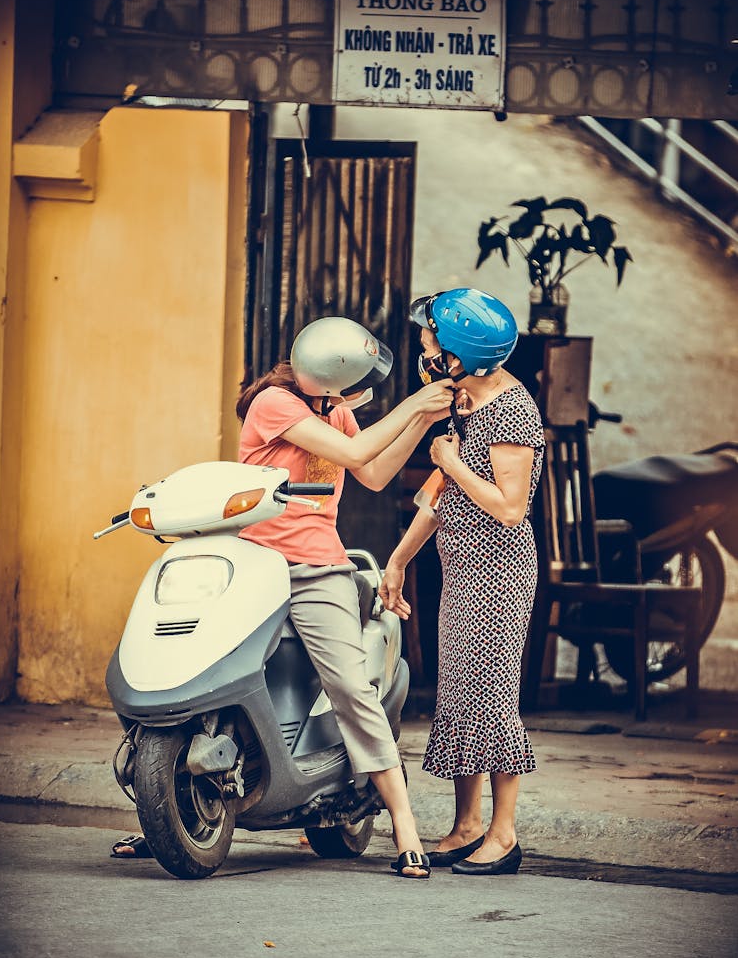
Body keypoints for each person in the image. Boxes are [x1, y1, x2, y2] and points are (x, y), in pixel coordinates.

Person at [112, 318, 453, 874]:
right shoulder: (273, 403)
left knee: (348, 683)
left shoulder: (334, 411)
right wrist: (416, 403)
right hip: (254, 564)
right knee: (188, 664)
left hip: (319, 570)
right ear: (335, 371)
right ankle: (163, 810)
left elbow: (371, 471)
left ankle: (404, 825)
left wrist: (424, 420)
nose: (352, 392)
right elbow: (358, 448)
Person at [379, 288, 545, 876]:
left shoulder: (510, 410)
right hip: (461, 573)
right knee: (461, 695)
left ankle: (503, 835)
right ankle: (467, 825)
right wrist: (398, 560)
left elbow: (509, 507)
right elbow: (436, 499)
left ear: (460, 352)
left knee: (491, 699)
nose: (424, 345)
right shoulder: (463, 402)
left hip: (499, 574)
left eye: (431, 339)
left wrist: (449, 463)